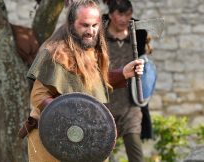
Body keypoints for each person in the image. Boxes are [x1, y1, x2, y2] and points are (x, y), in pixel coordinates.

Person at [18, 0, 144, 162]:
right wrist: (72, 115)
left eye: (95, 25)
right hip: (52, 138)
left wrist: (123, 73)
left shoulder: (91, 49)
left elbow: (89, 85)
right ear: (71, 24)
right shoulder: (53, 52)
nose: (91, 31)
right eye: (85, 25)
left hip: (85, 136)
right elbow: (39, 96)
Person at [102, 0, 153, 161]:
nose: (125, 19)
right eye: (120, 14)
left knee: (136, 152)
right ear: (111, 15)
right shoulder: (99, 33)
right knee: (102, 152)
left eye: (128, 15)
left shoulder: (137, 34)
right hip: (104, 102)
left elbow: (145, 63)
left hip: (129, 104)